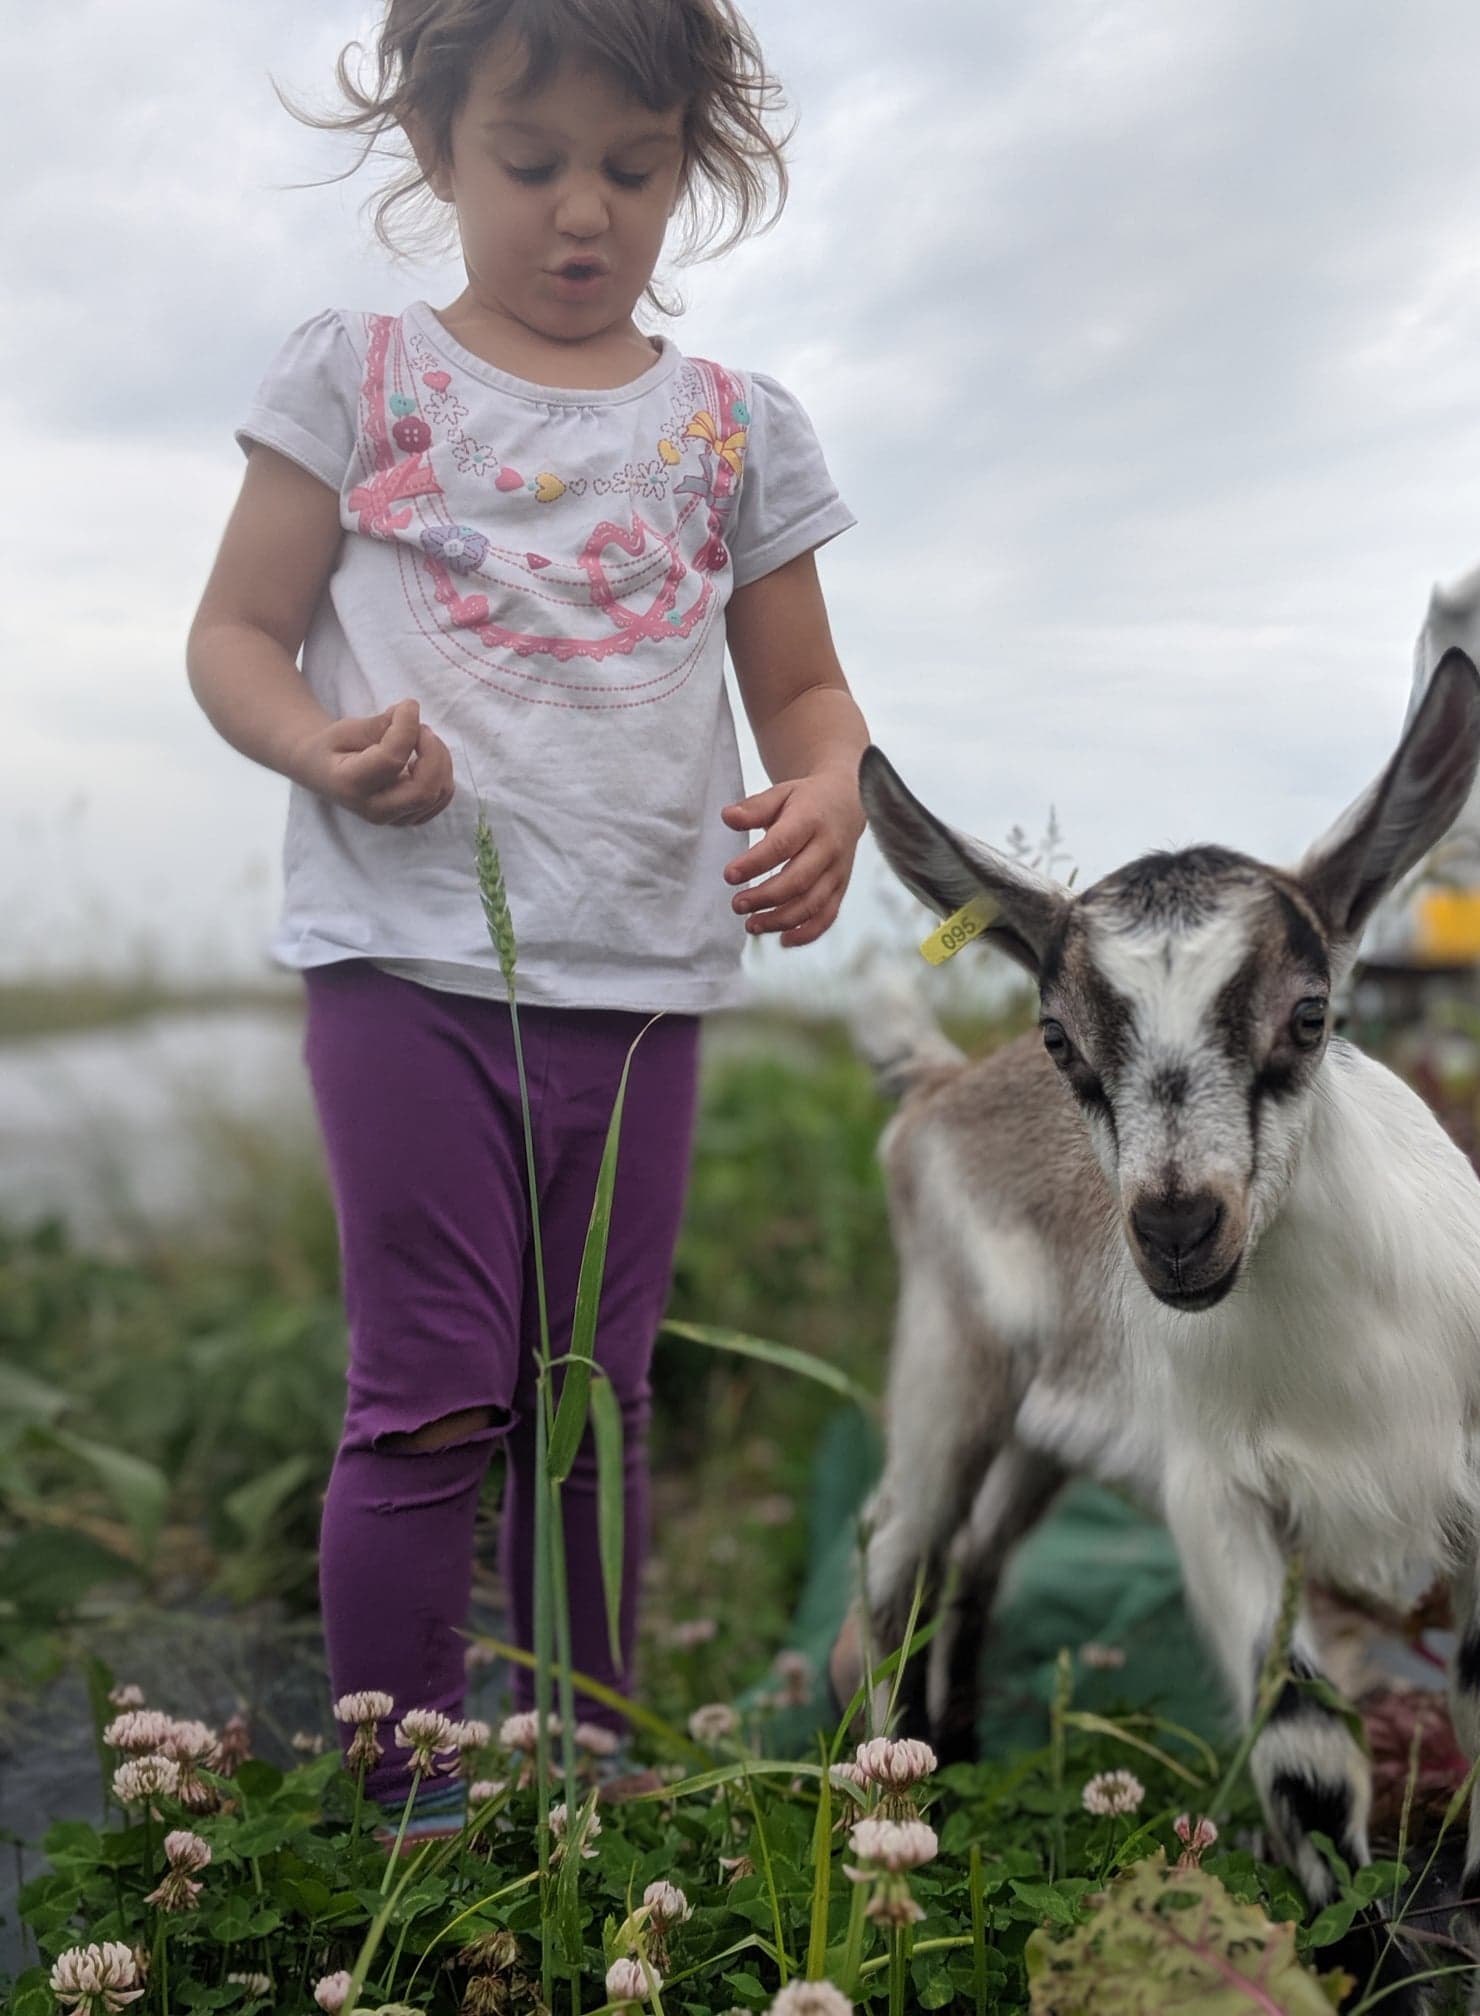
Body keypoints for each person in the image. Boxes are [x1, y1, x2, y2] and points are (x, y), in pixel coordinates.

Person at [186, 0, 867, 1837]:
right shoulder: (359, 375)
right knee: (427, 1391)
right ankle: (408, 1806)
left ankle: (582, 1780)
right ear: (436, 147)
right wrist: (319, 748)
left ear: (691, 164)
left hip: (641, 988)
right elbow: (236, 634)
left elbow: (807, 696)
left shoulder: (733, 429)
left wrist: (830, 790)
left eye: (632, 170)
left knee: (591, 1402)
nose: (584, 211)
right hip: (407, 968)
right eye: (532, 161)